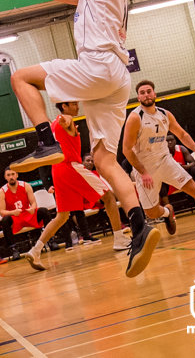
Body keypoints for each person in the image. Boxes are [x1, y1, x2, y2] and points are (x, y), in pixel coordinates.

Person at [9, 0, 160, 279]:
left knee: (21, 78)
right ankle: (139, 227)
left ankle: (46, 142)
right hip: (114, 78)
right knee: (105, 160)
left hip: (99, 66)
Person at [24, 102, 131, 270]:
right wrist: (67, 121)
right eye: (73, 104)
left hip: (57, 170)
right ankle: (119, 239)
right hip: (71, 166)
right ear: (64, 106)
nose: (77, 106)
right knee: (109, 197)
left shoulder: (52, 125)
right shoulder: (65, 119)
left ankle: (35, 250)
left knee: (62, 216)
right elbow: (66, 120)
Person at [122, 81, 195, 234]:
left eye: (149, 91)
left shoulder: (165, 114)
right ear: (138, 97)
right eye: (142, 93)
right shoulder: (135, 118)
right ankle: (167, 213)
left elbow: (182, 134)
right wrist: (143, 172)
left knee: (194, 188)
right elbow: (126, 150)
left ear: (154, 94)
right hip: (146, 169)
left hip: (165, 161)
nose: (146, 95)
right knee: (151, 212)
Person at [0, 169, 59, 255]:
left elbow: (33, 203)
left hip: (27, 214)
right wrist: (13, 212)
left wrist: (32, 208)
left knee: (44, 211)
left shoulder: (25, 185)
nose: (11, 177)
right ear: (5, 177)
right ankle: (13, 249)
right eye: (8, 175)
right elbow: (2, 212)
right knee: (5, 220)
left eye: (13, 174)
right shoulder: (1, 191)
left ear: (17, 175)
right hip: (14, 217)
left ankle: (51, 240)